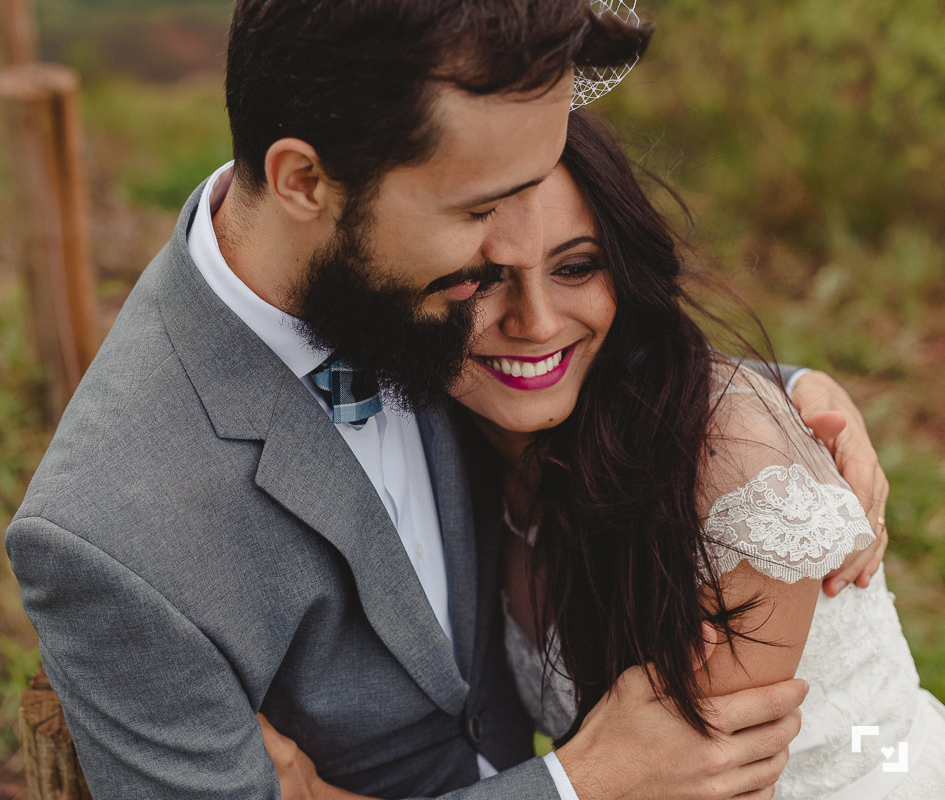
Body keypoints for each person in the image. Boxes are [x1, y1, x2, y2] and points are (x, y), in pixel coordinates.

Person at [5, 2, 888, 797]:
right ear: (303, 183)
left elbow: (557, 357)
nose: (511, 251)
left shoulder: (388, 253)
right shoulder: (107, 541)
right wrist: (575, 786)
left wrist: (782, 401)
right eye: (481, 211)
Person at [259, 112, 944, 799]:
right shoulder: (451, 427)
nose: (538, 323)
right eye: (480, 280)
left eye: (576, 266)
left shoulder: (745, 485)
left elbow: (696, 788)